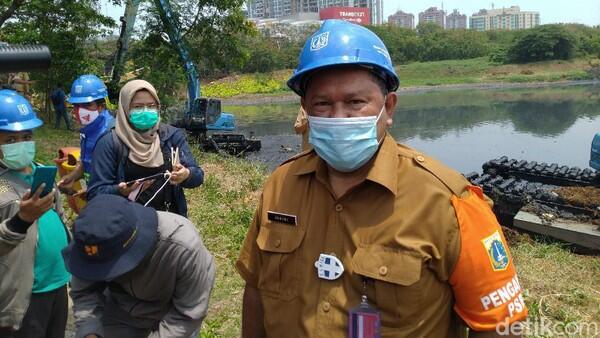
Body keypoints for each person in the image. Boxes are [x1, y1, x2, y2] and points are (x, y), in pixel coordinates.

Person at [236, 20, 528, 338]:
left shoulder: (449, 201)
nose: (338, 117)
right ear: (306, 109)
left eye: (355, 102)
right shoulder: (281, 185)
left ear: (387, 108)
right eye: (322, 103)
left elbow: (500, 325)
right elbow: (256, 290)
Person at [63, 194, 215, 338]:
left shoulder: (183, 249)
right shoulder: (91, 238)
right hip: (122, 307)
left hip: (174, 311)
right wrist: (90, 330)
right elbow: (84, 292)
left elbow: (187, 314)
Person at [0, 90, 70, 338]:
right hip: (23, 296)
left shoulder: (43, 173)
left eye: (26, 136)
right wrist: (21, 220)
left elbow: (60, 217)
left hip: (58, 284)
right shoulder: (2, 186)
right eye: (10, 140)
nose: (21, 143)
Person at [87, 79, 203, 217]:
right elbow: (95, 193)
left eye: (151, 106)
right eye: (137, 107)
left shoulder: (171, 137)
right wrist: (120, 191)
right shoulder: (110, 143)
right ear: (125, 108)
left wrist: (186, 175)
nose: (145, 111)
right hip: (125, 224)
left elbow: (198, 176)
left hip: (168, 219)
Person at [57, 75, 114, 197]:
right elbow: (85, 162)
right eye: (77, 106)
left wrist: (93, 191)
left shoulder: (110, 134)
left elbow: (117, 177)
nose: (80, 111)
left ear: (101, 106)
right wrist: (72, 176)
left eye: (86, 105)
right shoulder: (88, 129)